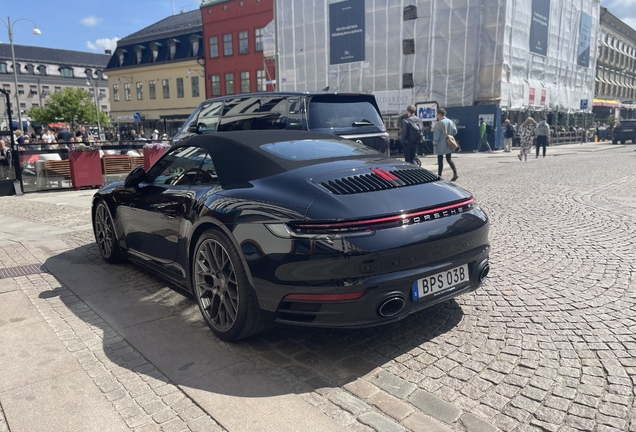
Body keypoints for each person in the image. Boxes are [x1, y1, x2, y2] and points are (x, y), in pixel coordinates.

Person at [432, 108, 458, 181]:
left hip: (440, 144)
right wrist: (449, 136)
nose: (437, 116)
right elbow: (455, 131)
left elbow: (436, 135)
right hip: (449, 143)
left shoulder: (439, 123)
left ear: (439, 114)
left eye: (437, 114)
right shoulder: (450, 121)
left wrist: (435, 143)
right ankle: (455, 172)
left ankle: (439, 175)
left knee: (440, 160)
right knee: (449, 158)